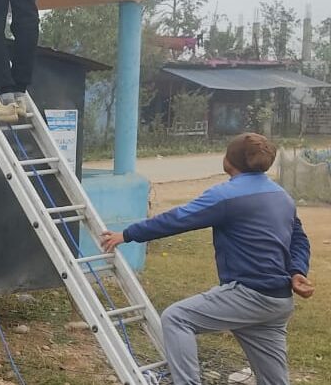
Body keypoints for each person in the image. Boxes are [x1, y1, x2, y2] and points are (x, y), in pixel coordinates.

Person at [101, 133, 313, 385]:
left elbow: (177, 219)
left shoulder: (226, 196)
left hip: (249, 295)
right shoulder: (281, 195)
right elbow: (299, 238)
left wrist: (126, 234)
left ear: (229, 162)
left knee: (177, 318)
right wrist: (298, 270)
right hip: (278, 301)